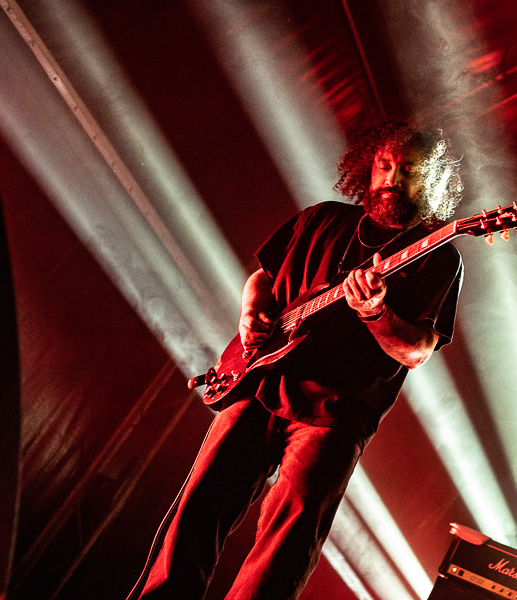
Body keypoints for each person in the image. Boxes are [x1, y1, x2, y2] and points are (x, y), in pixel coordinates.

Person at [128, 120, 464, 600]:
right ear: (367, 167)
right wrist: (250, 312)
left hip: (334, 415)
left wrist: (375, 311)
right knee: (195, 514)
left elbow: (416, 351)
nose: (392, 179)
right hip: (259, 384)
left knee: (284, 548)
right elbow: (263, 277)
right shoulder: (322, 219)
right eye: (385, 165)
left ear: (430, 178)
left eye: (408, 170)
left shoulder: (437, 257)